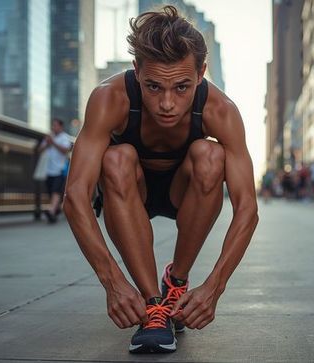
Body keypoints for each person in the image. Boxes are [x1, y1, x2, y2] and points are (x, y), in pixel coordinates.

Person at [62, 6, 258, 354]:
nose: (167, 103)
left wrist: (214, 286)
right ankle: (153, 306)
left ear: (201, 74)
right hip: (127, 190)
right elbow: (75, 196)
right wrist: (113, 282)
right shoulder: (109, 99)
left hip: (187, 190)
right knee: (116, 157)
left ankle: (176, 284)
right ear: (136, 72)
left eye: (181, 87)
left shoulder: (220, 110)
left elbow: (247, 209)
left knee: (211, 156)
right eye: (153, 86)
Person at [38, 118, 71, 223]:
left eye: (56, 125)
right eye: (53, 125)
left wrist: (53, 143)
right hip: (48, 170)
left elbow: (66, 150)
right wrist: (48, 143)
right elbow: (40, 150)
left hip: (60, 169)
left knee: (56, 191)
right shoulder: (49, 137)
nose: (53, 127)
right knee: (51, 192)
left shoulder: (64, 137)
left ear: (61, 127)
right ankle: (55, 210)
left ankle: (52, 211)